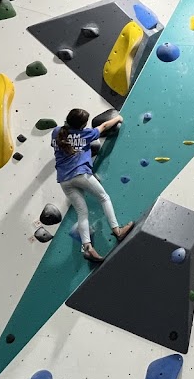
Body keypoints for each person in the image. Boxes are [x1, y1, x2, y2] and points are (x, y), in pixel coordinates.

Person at [51, 108, 133, 263]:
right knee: (104, 198)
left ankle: (87, 248)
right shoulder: (86, 134)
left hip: (64, 180)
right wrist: (118, 118)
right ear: (82, 125)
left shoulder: (56, 132)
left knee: (82, 213)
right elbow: (104, 126)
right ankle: (117, 230)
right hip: (81, 174)